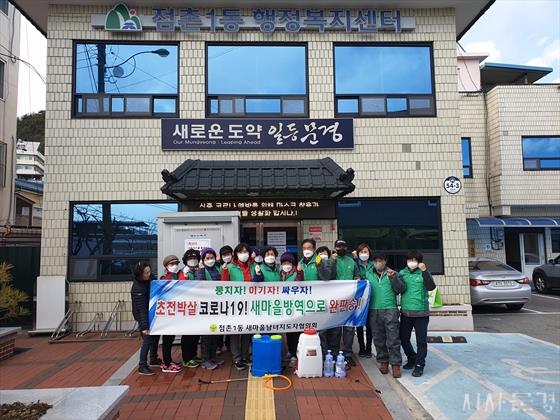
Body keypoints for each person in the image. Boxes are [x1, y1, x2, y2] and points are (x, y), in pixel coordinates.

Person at [221, 243, 260, 370]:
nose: (243, 254)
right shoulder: (229, 267)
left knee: (247, 331)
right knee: (235, 332)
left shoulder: (254, 266)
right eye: (240, 252)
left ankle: (244, 355)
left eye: (246, 252)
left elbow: (259, 283)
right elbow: (223, 285)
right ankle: (237, 358)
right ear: (236, 254)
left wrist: (258, 273)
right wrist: (224, 272)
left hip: (250, 303)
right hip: (235, 304)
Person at [368, 251, 406, 378]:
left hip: (390, 309)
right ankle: (383, 361)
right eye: (376, 261)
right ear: (373, 262)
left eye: (381, 260)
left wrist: (393, 278)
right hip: (374, 309)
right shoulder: (368, 274)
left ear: (385, 261)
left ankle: (395, 364)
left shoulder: (393, 273)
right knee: (378, 338)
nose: (378, 263)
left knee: (393, 338)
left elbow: (401, 289)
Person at [399, 250, 436, 378]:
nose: (412, 262)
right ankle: (411, 357)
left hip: (421, 313)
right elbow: (397, 288)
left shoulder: (424, 272)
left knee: (421, 341)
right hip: (406, 313)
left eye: (415, 260)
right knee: (403, 339)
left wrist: (424, 271)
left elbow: (431, 287)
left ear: (419, 262)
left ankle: (420, 365)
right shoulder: (402, 273)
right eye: (410, 260)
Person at [195, 247, 225, 370]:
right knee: (206, 335)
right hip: (206, 307)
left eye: (211, 257)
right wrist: (201, 270)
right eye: (207, 258)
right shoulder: (201, 271)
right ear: (203, 259)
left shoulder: (217, 269)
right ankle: (205, 359)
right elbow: (199, 285)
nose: (210, 260)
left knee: (215, 333)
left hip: (217, 306)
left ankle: (213, 356)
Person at [332, 239, 360, 367]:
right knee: (336, 328)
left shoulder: (351, 261)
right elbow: (327, 276)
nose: (341, 248)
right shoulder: (332, 261)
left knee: (349, 328)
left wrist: (357, 280)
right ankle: (334, 353)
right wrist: (332, 261)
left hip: (349, 300)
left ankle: (348, 354)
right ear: (335, 248)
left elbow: (357, 276)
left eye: (343, 246)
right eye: (339, 246)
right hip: (335, 300)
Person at [131, 260, 161, 375]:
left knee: (155, 337)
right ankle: (142, 365)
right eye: (146, 273)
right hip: (143, 316)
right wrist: (144, 326)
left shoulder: (150, 279)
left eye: (149, 271)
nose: (149, 274)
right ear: (140, 274)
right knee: (147, 340)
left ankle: (153, 358)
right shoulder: (137, 288)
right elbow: (141, 308)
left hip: (152, 313)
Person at [315, 246, 342, 358]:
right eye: (320, 253)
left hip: (333, 300)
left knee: (335, 329)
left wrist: (326, 263)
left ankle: (334, 356)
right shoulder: (315, 263)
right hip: (319, 302)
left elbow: (327, 276)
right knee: (322, 331)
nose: (323, 254)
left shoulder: (332, 262)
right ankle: (324, 356)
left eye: (324, 252)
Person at [159, 255, 184, 372]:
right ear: (166, 266)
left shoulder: (179, 276)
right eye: (171, 264)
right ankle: (167, 364)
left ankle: (168, 360)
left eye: (176, 264)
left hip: (175, 313)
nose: (174, 266)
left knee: (171, 338)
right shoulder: (164, 279)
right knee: (167, 339)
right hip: (168, 315)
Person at [355, 244, 373, 358]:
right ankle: (361, 347)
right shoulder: (355, 263)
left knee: (370, 325)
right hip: (360, 298)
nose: (363, 254)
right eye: (361, 252)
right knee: (360, 324)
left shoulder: (373, 264)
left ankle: (369, 348)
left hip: (372, 297)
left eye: (365, 252)